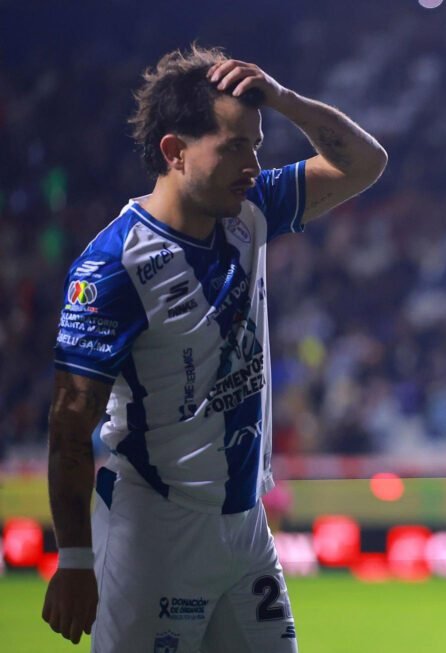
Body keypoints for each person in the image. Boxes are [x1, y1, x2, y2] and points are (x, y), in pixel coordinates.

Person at [42, 45, 387, 651]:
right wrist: (73, 559)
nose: (253, 163)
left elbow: (365, 162)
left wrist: (283, 100)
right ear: (175, 152)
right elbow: (71, 426)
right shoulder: (112, 270)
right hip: (156, 528)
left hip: (247, 526)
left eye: (257, 144)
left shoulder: (248, 211)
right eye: (234, 147)